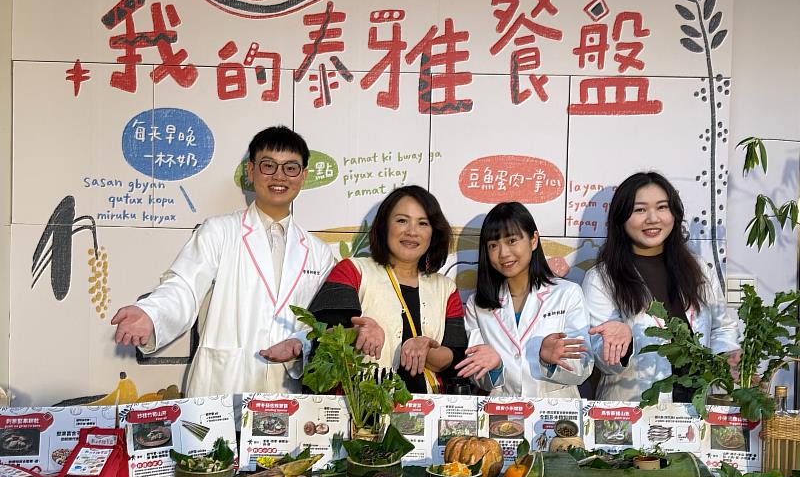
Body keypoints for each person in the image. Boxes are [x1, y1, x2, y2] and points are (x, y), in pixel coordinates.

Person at [111, 125, 335, 396]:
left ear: (303, 177)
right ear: (251, 171)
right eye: (268, 166)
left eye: (290, 168)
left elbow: (325, 322)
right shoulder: (219, 231)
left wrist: (300, 344)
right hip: (221, 387)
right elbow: (183, 287)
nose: (279, 176)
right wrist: (152, 313)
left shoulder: (319, 252)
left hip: (286, 391)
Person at [582, 171, 740, 403]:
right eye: (640, 210)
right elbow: (605, 363)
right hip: (634, 413)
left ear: (674, 213)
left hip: (697, 411)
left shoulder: (697, 268)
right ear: (621, 218)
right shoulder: (601, 278)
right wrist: (622, 343)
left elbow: (722, 327)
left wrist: (726, 358)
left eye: (662, 207)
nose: (653, 218)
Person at [305, 185, 467, 393]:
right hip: (360, 411)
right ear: (384, 226)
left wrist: (427, 349)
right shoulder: (352, 270)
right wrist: (358, 333)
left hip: (427, 414)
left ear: (434, 232)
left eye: (423, 223)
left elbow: (455, 357)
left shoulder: (446, 288)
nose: (412, 231)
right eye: (401, 220)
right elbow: (320, 339)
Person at [455, 202, 593, 397]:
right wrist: (495, 367)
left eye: (512, 241)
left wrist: (550, 361)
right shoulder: (478, 304)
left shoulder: (567, 293)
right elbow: (478, 376)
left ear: (533, 240)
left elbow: (583, 367)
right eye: (493, 245)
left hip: (555, 416)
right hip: (502, 417)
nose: (503, 253)